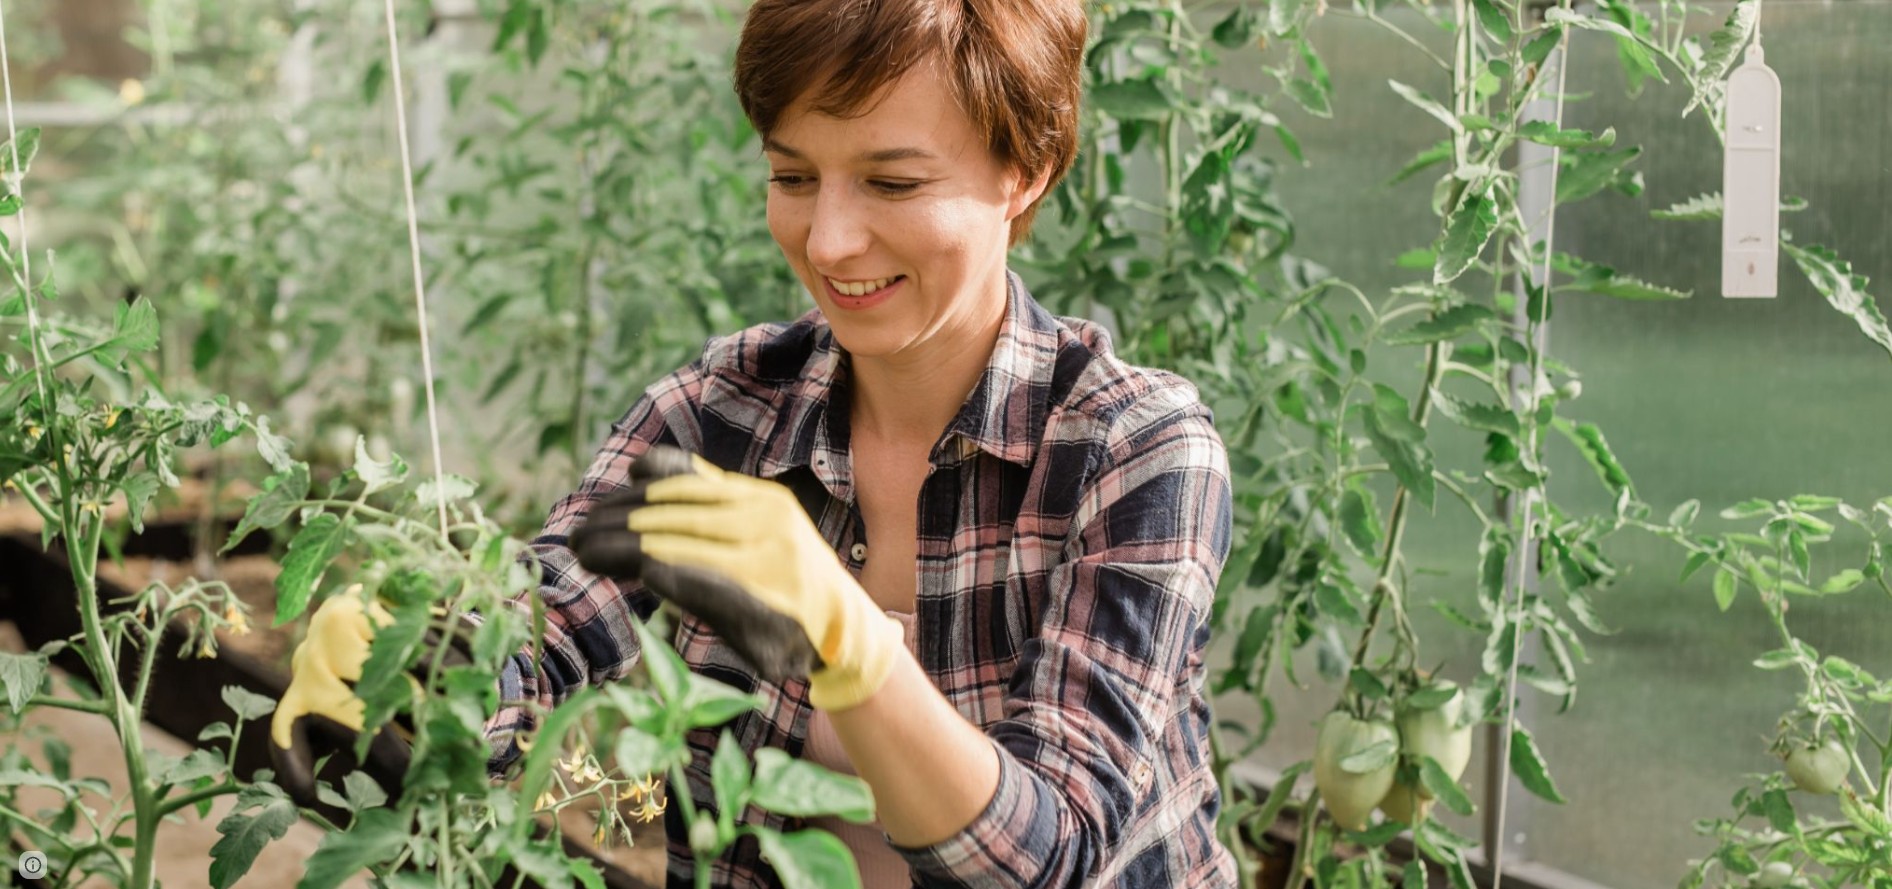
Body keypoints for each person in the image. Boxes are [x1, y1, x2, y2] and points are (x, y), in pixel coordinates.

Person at [274, 1, 1238, 886]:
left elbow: (1059, 852)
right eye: (792, 176)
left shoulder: (1131, 450)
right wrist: (426, 652)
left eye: (891, 181)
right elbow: (545, 637)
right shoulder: (723, 413)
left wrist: (853, 645)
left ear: (1026, 170)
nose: (827, 241)